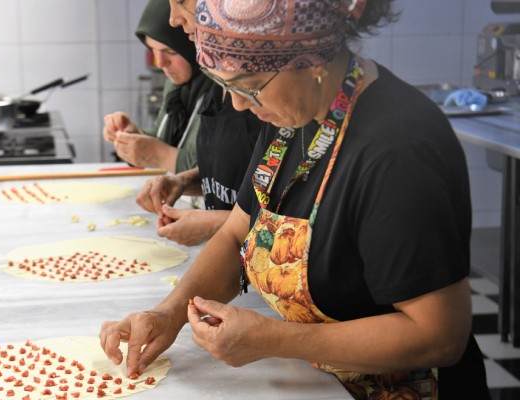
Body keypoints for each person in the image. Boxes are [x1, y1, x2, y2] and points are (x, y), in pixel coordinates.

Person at [100, 0, 491, 398]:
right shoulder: (292, 117)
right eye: (227, 86)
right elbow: (238, 232)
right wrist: (169, 313)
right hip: (324, 382)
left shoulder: (398, 149)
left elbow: (438, 334)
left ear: (311, 61)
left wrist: (274, 339)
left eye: (249, 86)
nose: (238, 104)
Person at [135, 0, 267, 246]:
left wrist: (217, 225)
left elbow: (295, 220)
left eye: (181, 2)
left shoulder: (271, 100)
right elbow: (233, 173)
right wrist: (183, 181)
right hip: (226, 260)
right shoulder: (217, 87)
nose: (173, 19)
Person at [102, 0, 213, 174]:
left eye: (171, 52)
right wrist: (134, 138)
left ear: (195, 46)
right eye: (152, 50)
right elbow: (164, 141)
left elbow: (224, 174)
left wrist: (161, 155)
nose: (160, 63)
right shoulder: (177, 87)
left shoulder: (225, 92)